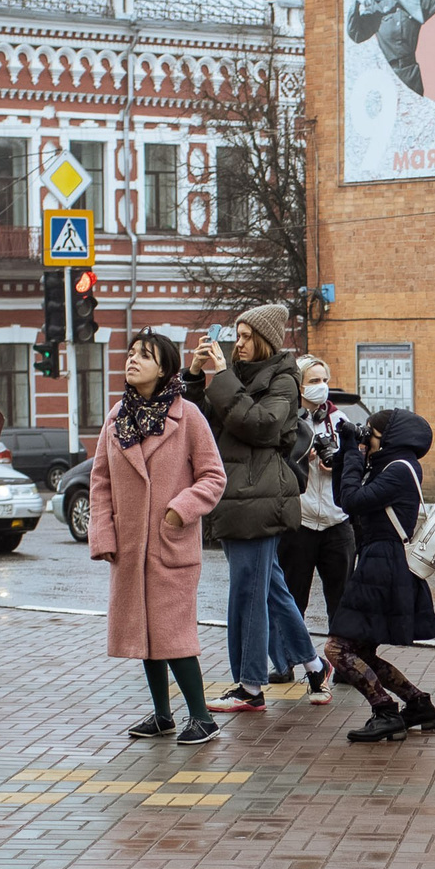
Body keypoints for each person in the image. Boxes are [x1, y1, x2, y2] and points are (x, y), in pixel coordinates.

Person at [89, 333, 227, 746]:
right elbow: (100, 480)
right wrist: (104, 533)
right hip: (130, 545)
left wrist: (178, 511)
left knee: (172, 632)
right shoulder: (117, 417)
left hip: (170, 544)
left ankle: (202, 717)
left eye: (144, 356)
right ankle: (163, 715)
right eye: (130, 354)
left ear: (165, 368)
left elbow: (213, 476)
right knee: (142, 632)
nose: (132, 361)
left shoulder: (188, 417)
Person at [187, 303, 324, 713]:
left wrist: (223, 378)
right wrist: (195, 376)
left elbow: (262, 425)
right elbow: (200, 422)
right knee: (272, 591)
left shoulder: (284, 379)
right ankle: (316, 666)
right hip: (234, 496)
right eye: (238, 335)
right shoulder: (236, 377)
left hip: (261, 497)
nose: (239, 343)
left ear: (266, 340)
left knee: (247, 593)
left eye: (247, 337)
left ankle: (249, 685)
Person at [326, 409, 435, 742]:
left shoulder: (400, 470)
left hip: (385, 567)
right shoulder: (388, 467)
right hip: (378, 564)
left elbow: (352, 500)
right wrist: (345, 456)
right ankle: (418, 704)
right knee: (360, 651)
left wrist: (351, 453)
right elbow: (344, 500)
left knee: (337, 650)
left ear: (389, 437)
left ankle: (385, 711)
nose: (367, 439)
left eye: (371, 434)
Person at [280, 355, 356, 702]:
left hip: (337, 522)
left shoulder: (340, 420)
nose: (320, 385)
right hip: (300, 521)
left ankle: (344, 664)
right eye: (312, 379)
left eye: (324, 378)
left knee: (340, 598)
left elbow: (357, 464)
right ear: (298, 385)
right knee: (291, 597)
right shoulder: (287, 421)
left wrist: (337, 463)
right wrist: (302, 457)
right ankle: (285, 663)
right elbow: (278, 464)